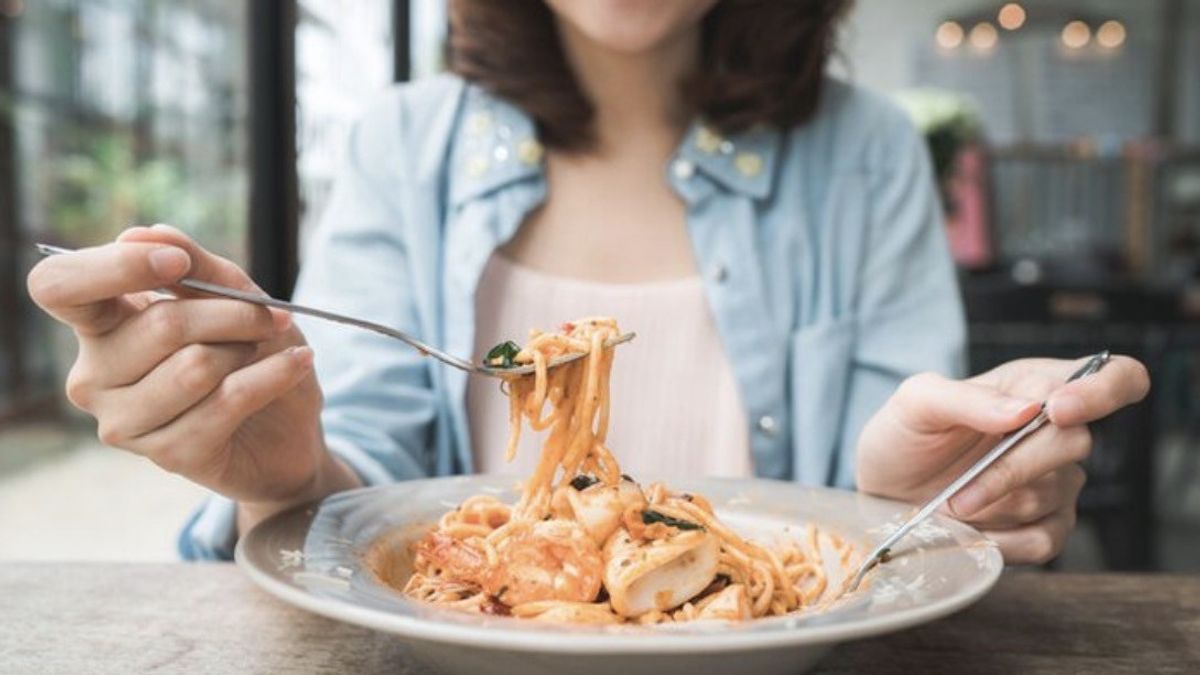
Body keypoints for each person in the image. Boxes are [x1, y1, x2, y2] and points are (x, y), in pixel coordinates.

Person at [27, 0, 1149, 564]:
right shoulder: (400, 145)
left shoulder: (866, 153)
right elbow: (347, 498)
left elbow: (885, 523)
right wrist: (281, 475)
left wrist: (941, 493)